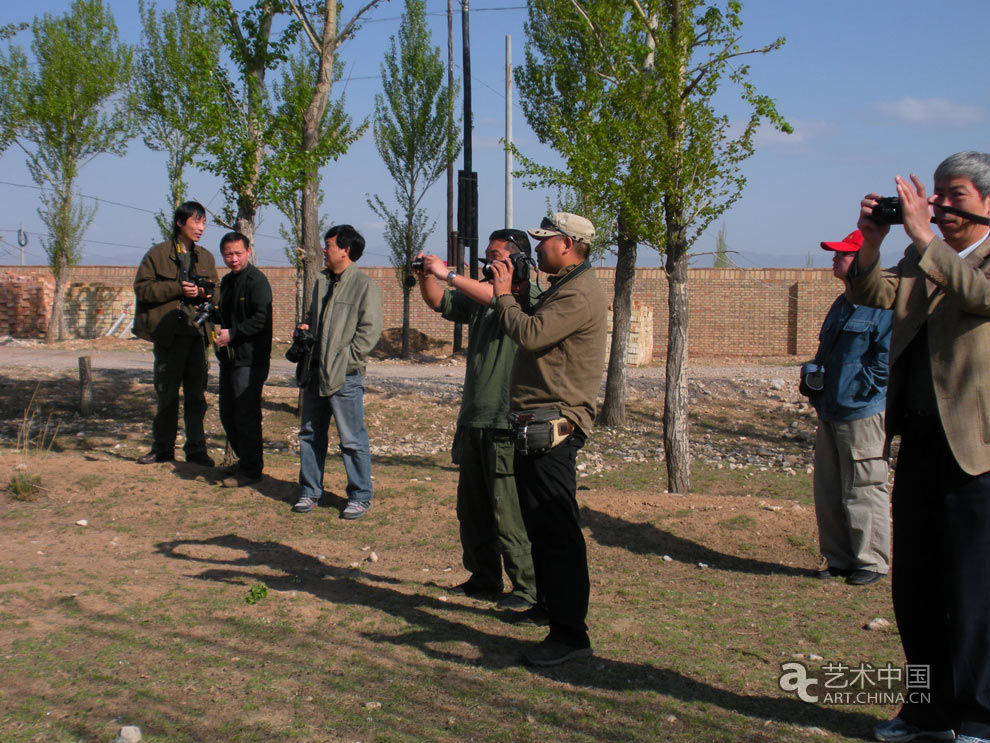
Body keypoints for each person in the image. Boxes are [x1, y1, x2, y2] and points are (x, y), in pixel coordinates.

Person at [847, 152, 990, 743]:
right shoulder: (919, 253)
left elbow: (979, 298)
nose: (940, 204)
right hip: (922, 441)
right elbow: (872, 292)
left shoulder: (953, 254)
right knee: (917, 587)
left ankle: (979, 718)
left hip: (978, 451)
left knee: (973, 592)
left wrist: (926, 238)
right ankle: (926, 712)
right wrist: (874, 241)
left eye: (954, 194)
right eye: (935, 193)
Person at [489, 212, 608, 667]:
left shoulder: (579, 292)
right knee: (540, 527)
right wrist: (517, 294)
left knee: (558, 533)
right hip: (538, 421)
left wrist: (504, 298)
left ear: (568, 244)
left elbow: (532, 334)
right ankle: (549, 609)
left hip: (555, 424)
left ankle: (571, 635)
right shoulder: (566, 285)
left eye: (543, 242)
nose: (536, 249)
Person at [413, 229, 538, 612]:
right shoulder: (482, 296)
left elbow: (496, 296)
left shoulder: (527, 297)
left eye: (496, 256)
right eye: (486, 255)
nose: (488, 263)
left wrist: (449, 273)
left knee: (507, 512)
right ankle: (484, 577)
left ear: (518, 261)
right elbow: (441, 304)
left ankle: (527, 588)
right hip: (474, 418)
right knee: (472, 509)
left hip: (506, 421)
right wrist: (425, 275)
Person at [802, 229, 892, 586]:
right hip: (830, 410)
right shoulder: (842, 303)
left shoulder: (883, 303)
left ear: (862, 261)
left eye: (842, 254)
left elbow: (886, 361)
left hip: (861, 412)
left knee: (864, 486)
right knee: (829, 489)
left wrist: (857, 390)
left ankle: (871, 561)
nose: (834, 259)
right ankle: (839, 558)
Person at [293, 225, 383, 520]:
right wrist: (306, 328)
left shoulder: (364, 285)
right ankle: (309, 492)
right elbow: (313, 318)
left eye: (329, 245)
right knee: (309, 434)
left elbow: (369, 333)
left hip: (344, 376)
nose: (324, 249)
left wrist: (346, 362)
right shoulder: (321, 281)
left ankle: (360, 496)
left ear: (346, 250)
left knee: (352, 439)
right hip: (315, 371)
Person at [133, 201, 219, 466]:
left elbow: (215, 291)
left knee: (196, 396)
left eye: (204, 222)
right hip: (168, 335)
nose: (201, 227)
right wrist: (177, 289)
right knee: (167, 394)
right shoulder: (157, 255)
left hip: (196, 335)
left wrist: (204, 292)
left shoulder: (205, 257)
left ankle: (196, 449)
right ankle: (162, 448)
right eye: (196, 222)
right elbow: (143, 290)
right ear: (181, 223)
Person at [214, 232, 272, 488]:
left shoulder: (256, 282)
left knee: (246, 414)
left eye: (238, 253)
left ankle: (251, 470)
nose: (234, 259)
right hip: (229, 358)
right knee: (228, 413)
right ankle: (244, 460)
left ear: (248, 251)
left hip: (250, 359)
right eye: (228, 254)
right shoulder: (226, 282)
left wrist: (234, 334)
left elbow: (261, 319)